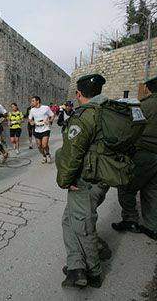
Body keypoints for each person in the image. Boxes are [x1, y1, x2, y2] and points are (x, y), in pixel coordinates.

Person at [112, 75, 157, 240]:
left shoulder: (144, 106)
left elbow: (131, 129)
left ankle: (130, 219)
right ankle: (154, 228)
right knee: (153, 190)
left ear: (149, 88)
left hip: (143, 155)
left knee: (125, 186)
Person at [55, 73, 110, 289]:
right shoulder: (110, 111)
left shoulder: (85, 116)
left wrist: (65, 181)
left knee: (83, 226)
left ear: (78, 94)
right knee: (69, 221)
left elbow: (72, 155)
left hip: (86, 180)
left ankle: (94, 272)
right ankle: (76, 267)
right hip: (104, 176)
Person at [28, 96, 54, 163]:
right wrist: (31, 122)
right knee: (39, 146)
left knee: (44, 145)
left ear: (38, 101)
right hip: (37, 130)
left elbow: (52, 115)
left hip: (45, 129)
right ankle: (44, 156)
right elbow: (30, 119)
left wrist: (50, 121)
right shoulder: (32, 110)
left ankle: (48, 154)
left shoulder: (46, 108)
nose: (32, 102)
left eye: (33, 101)